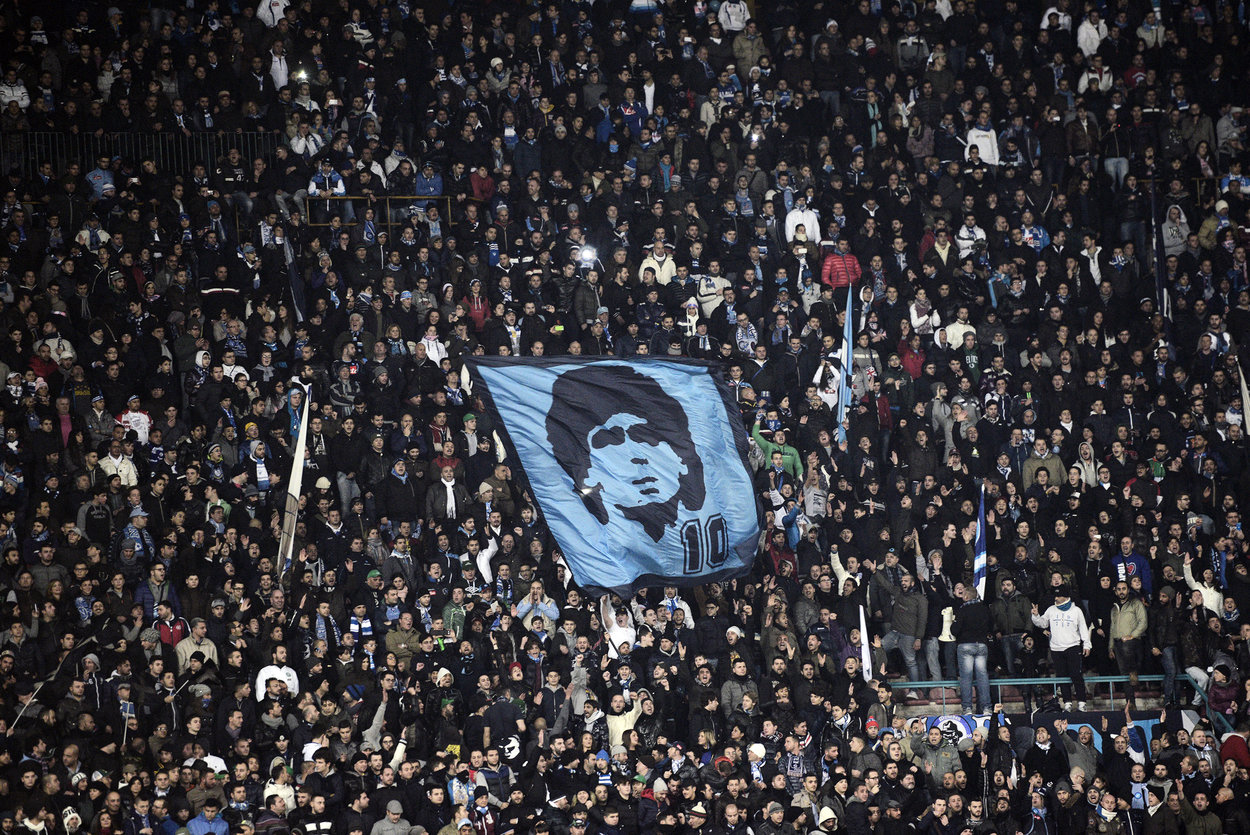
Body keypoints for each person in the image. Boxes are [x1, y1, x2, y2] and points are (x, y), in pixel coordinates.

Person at [1032, 586, 1092, 711]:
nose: (1056, 598)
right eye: (1055, 596)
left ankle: (1081, 702)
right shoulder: (1051, 609)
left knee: (1076, 675)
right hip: (1056, 648)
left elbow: (1083, 628)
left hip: (1073, 646)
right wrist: (1036, 616)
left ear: (1065, 596)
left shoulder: (1076, 610)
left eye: (1059, 596)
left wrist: (1087, 644)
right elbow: (1043, 623)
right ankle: (1067, 702)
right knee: (1062, 676)